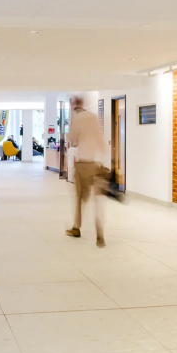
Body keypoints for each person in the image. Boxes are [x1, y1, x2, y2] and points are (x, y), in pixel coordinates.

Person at [65, 95, 107, 247]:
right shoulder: (93, 117)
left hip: (83, 165)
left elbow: (73, 139)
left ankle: (76, 228)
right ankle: (100, 233)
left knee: (79, 198)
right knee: (98, 200)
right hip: (95, 164)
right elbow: (100, 141)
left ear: (73, 105)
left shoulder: (77, 119)